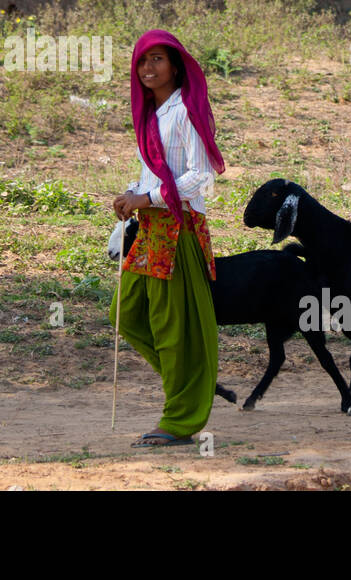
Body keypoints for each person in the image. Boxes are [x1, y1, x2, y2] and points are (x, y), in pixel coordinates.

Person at [110, 29, 225, 447]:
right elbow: (154, 174)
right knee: (128, 313)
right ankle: (192, 381)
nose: (148, 68)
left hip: (178, 231)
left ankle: (179, 418)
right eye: (142, 61)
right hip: (153, 229)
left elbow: (200, 177)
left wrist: (147, 197)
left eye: (157, 59)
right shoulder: (150, 116)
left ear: (175, 66)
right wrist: (131, 197)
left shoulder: (185, 112)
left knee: (172, 327)